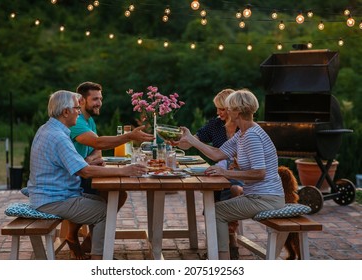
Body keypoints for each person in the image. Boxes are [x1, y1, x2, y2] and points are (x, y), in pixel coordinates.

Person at [27, 90, 147, 260]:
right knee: (106, 211)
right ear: (65, 112)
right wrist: (124, 170)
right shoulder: (58, 137)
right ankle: (99, 260)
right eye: (76, 108)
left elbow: (70, 165)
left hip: (47, 196)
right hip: (52, 200)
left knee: (105, 202)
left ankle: (95, 250)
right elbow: (85, 172)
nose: (79, 111)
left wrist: (87, 162)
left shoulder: (48, 129)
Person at [174, 89, 285, 260]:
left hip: (266, 198)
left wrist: (225, 171)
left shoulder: (252, 136)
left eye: (229, 108)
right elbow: (217, 154)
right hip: (258, 196)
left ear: (238, 112)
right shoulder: (242, 133)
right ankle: (220, 255)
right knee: (213, 210)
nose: (224, 111)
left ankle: (221, 260)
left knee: (215, 212)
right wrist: (191, 139)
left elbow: (260, 173)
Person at [66, 81, 154, 259]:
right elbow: (98, 143)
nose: (99, 103)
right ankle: (76, 237)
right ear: (81, 101)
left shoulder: (88, 120)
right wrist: (129, 136)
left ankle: (92, 240)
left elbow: (96, 147)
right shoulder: (77, 122)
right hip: (72, 178)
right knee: (112, 195)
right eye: (95, 99)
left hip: (83, 171)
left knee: (119, 194)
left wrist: (89, 159)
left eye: (100, 98)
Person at [177, 88, 243, 259]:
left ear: (232, 108)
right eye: (217, 108)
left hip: (241, 175)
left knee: (233, 189)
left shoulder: (245, 128)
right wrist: (178, 142)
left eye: (221, 109)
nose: (218, 112)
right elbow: (192, 142)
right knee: (213, 189)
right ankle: (222, 241)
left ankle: (226, 239)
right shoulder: (215, 124)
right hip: (221, 174)